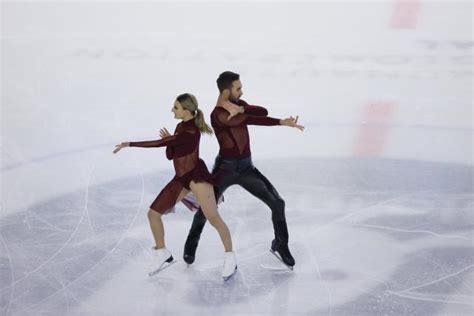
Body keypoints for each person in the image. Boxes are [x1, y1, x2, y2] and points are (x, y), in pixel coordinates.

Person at [183, 72, 304, 270]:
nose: (241, 91)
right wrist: (280, 122)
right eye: (238, 88)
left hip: (247, 168)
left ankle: (280, 244)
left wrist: (241, 106)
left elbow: (262, 111)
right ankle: (191, 243)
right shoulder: (218, 115)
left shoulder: (238, 105)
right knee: (207, 208)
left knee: (278, 203)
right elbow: (251, 119)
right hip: (225, 169)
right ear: (226, 91)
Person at [113, 93, 237, 280]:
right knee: (153, 214)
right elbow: (171, 155)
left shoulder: (190, 131)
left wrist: (130, 144)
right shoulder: (181, 127)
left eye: (176, 107)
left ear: (186, 111)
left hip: (196, 178)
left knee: (213, 218)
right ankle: (162, 252)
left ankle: (230, 257)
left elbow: (159, 143)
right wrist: (172, 140)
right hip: (181, 179)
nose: (172, 110)